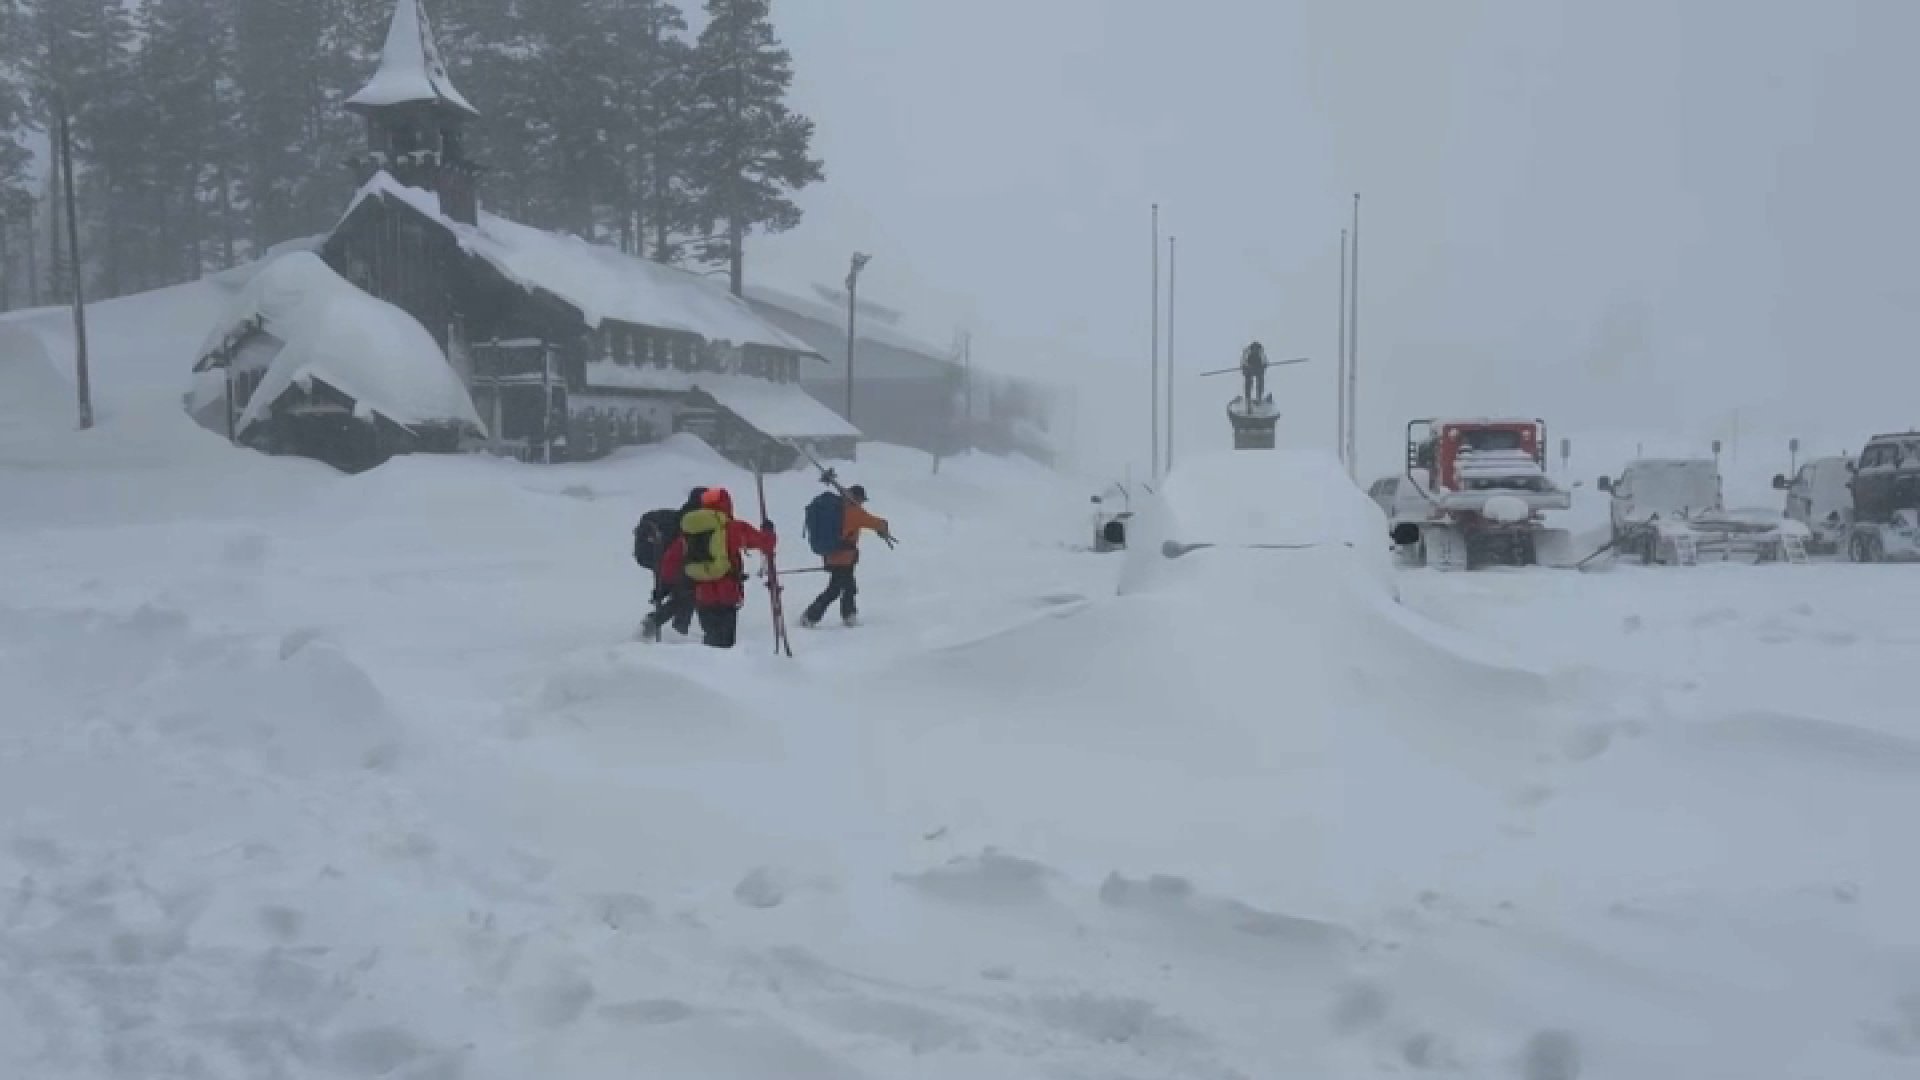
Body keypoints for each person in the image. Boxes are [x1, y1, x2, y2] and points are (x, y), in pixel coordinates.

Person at [670, 486, 775, 649]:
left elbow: (672, 559)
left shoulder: (689, 529)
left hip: (701, 592)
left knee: (711, 637)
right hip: (727, 591)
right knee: (725, 642)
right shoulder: (732, 528)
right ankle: (722, 672)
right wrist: (768, 531)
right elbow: (766, 543)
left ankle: (705, 669)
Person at [802, 484, 892, 628]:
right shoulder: (854, 511)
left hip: (832, 554)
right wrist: (884, 526)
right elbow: (875, 522)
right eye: (862, 500)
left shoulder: (839, 508)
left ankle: (849, 614)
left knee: (848, 586)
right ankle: (810, 616)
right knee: (835, 589)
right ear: (858, 498)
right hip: (844, 558)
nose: (862, 503)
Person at [638, 487, 707, 642]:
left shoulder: (685, 515)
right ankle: (675, 632)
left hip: (669, 563)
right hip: (677, 565)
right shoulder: (693, 518)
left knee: (683, 597)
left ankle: (663, 626)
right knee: (687, 597)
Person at [1241, 340, 1269, 405]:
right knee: (1248, 382)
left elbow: (1265, 361)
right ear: (1251, 349)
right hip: (1248, 369)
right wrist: (1247, 367)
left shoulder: (1261, 352)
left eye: (1256, 349)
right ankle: (1248, 399)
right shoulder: (1246, 352)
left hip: (1258, 369)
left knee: (1260, 381)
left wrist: (1263, 366)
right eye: (1254, 349)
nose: (1255, 350)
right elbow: (1243, 361)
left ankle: (1259, 398)